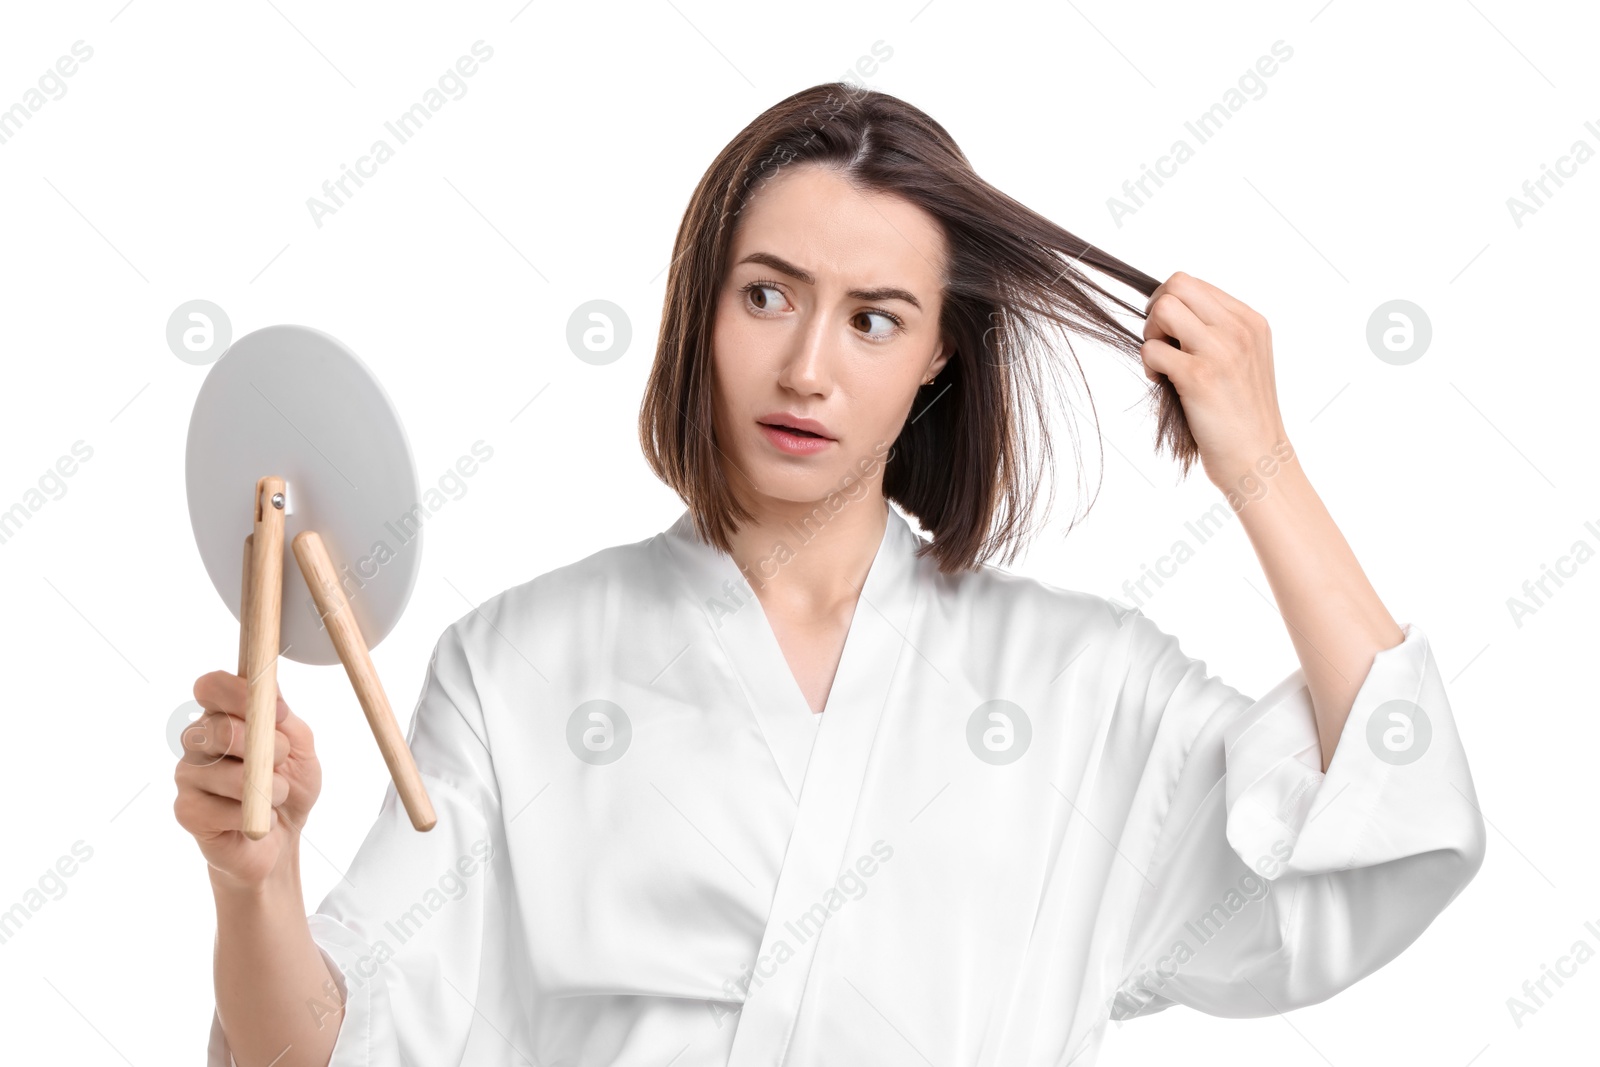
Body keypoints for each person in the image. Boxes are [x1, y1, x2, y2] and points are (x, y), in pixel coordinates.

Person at [179, 82, 1486, 1066]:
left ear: (937, 359)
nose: (807, 366)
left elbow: (1387, 834)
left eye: (874, 319)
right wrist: (258, 883)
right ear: (701, 303)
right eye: (767, 295)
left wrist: (1260, 462)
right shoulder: (522, 665)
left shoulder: (1089, 693)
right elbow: (320, 1051)